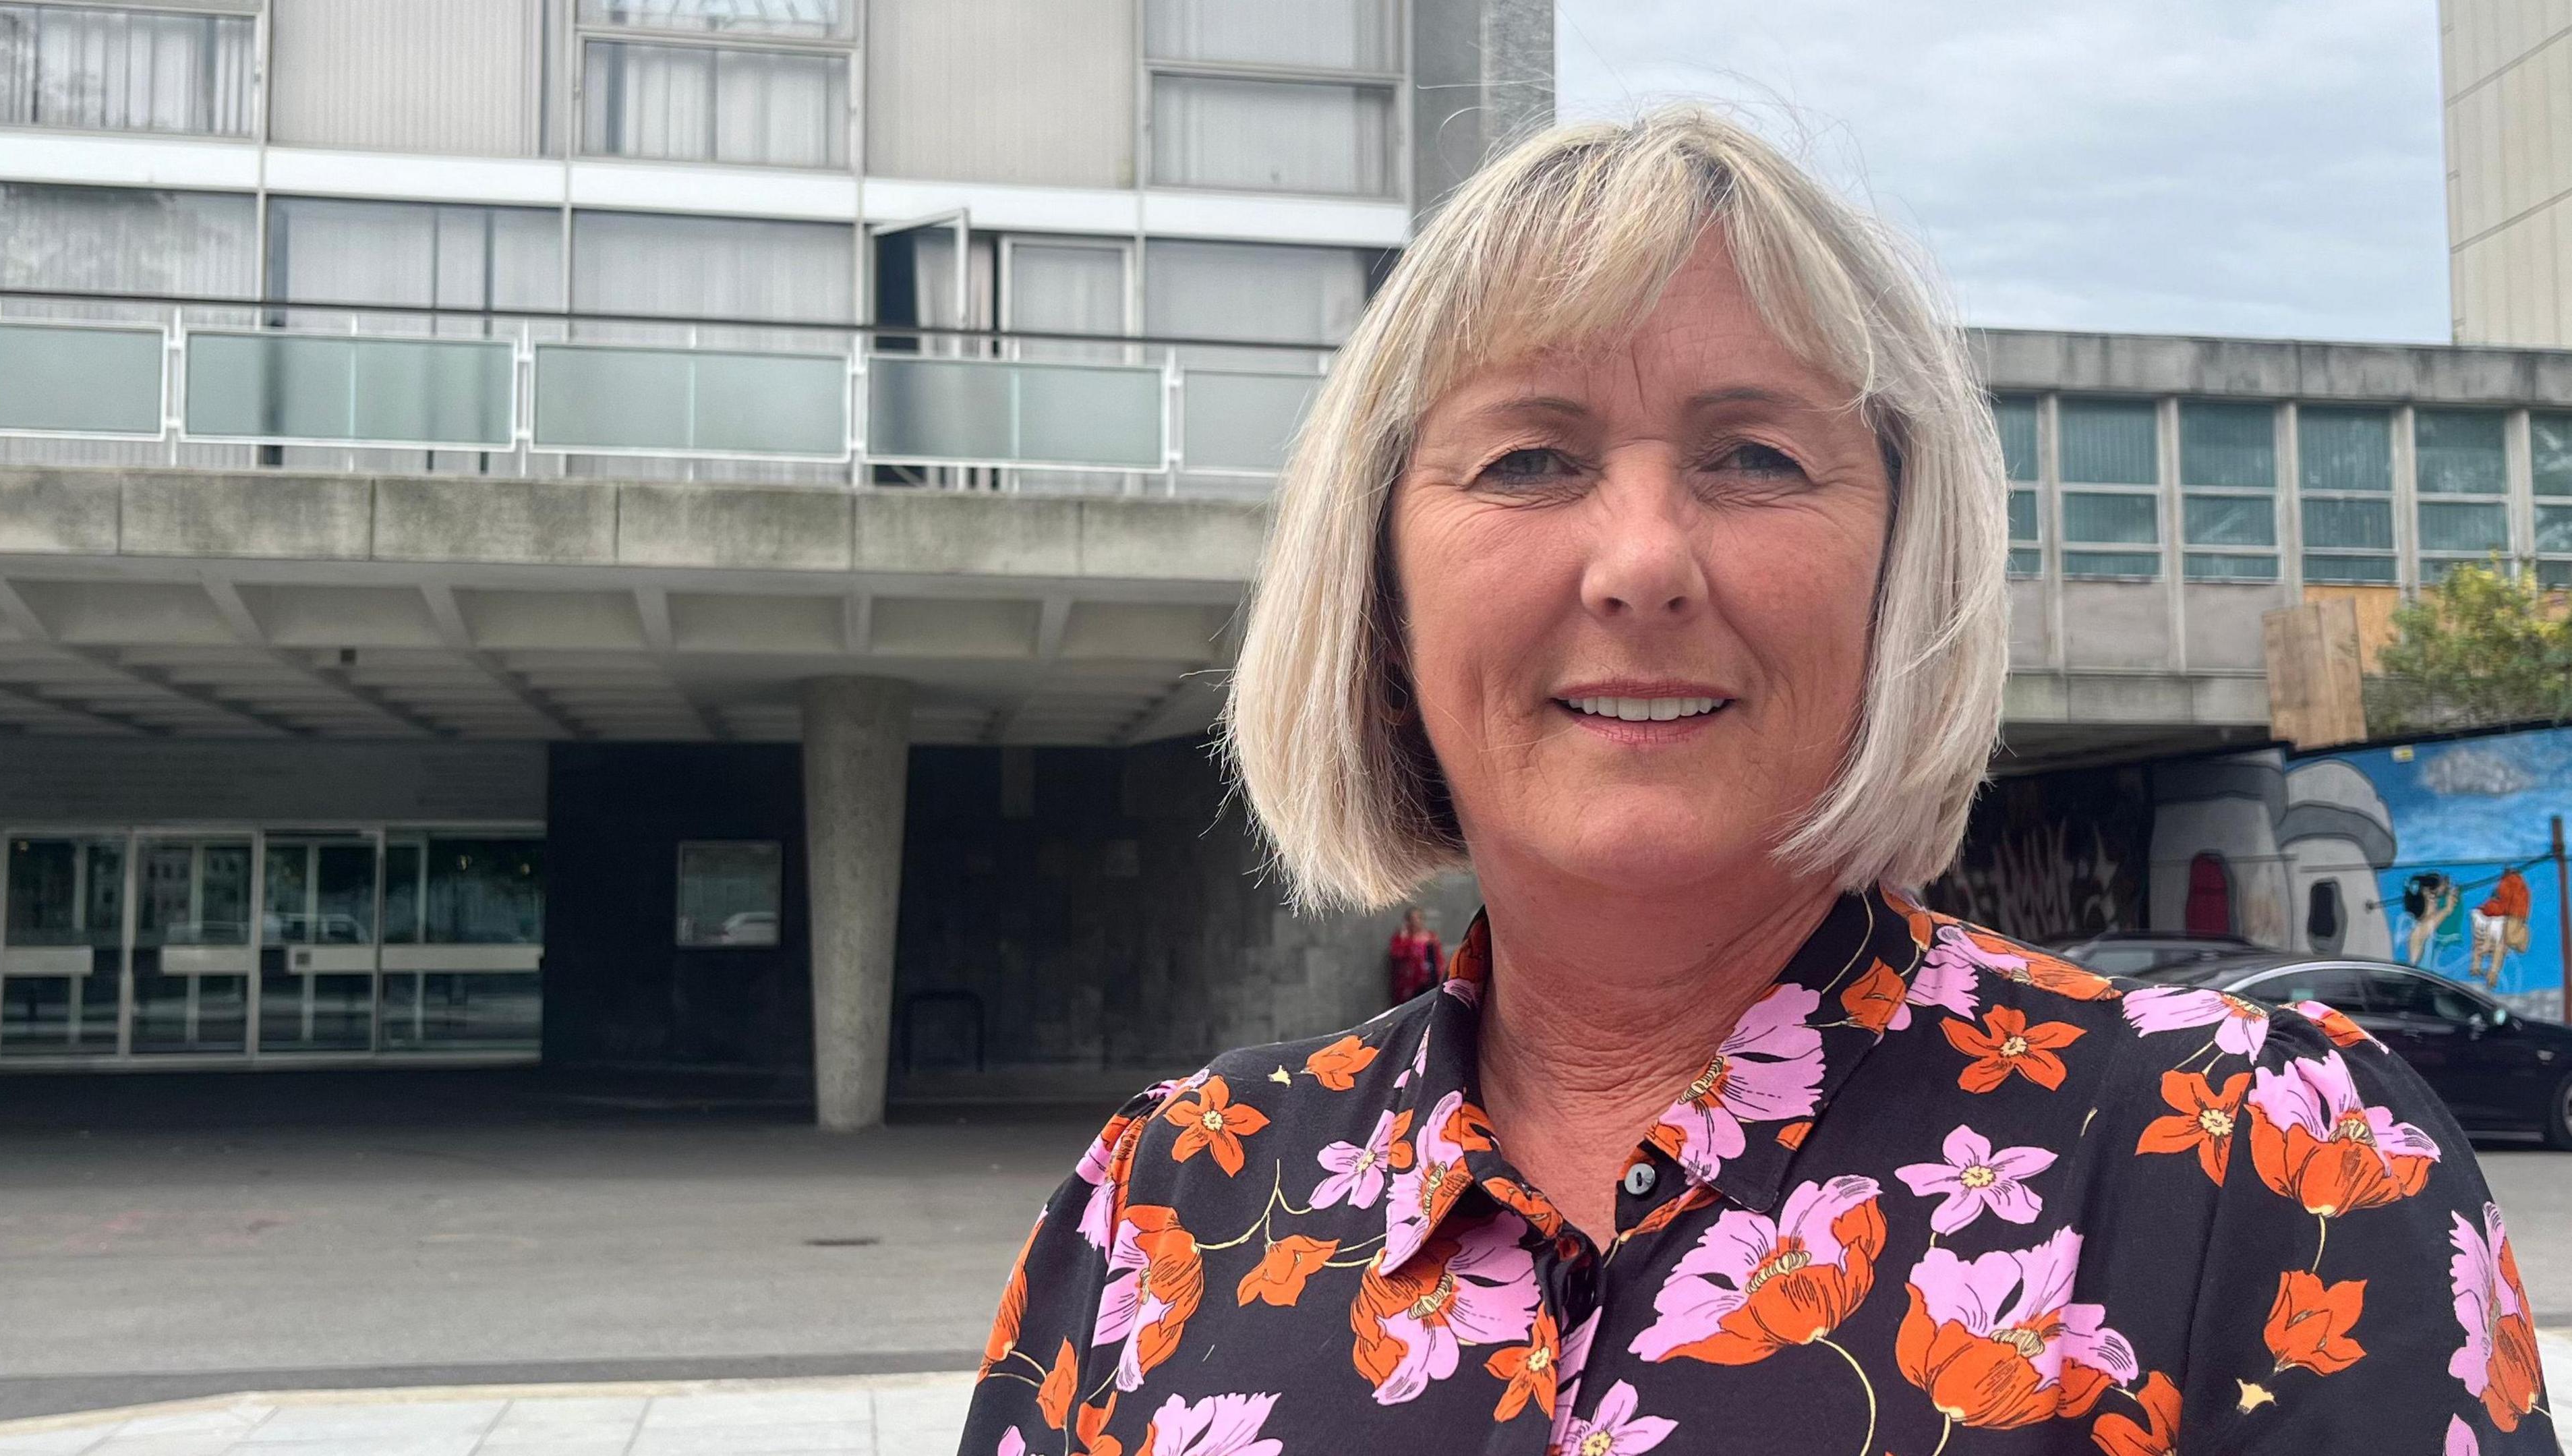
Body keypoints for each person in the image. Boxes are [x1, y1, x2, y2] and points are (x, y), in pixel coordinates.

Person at [960, 109, 2552, 1456]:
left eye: (1754, 457)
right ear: (1376, 594)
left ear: (1897, 575)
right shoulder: (1158, 1207)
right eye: (1529, 458)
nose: (1643, 561)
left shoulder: (2268, 1156)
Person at [2472, 867, 2534, 989]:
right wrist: (2478, 965)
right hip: (2500, 911)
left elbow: (2497, 948)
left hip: (2512, 908)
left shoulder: (2497, 925)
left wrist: (2492, 972)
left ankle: (2522, 934)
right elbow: (2480, 944)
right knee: (2506, 942)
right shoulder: (2481, 919)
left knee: (2512, 941)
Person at [1386, 907, 1444, 1003]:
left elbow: (1439, 959)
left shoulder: (1431, 937)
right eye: (1413, 919)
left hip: (1429, 980)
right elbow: (1397, 954)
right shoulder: (1402, 939)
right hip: (1410, 984)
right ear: (1408, 922)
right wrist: (1405, 940)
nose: (1416, 922)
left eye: (1419, 918)